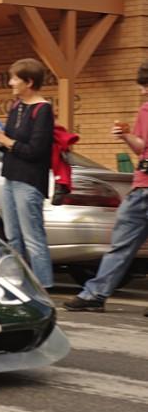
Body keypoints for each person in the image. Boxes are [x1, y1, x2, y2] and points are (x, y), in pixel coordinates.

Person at [65, 59, 148, 316]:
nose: (143, 91)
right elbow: (140, 147)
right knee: (120, 245)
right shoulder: (145, 110)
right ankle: (95, 295)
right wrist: (124, 135)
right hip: (141, 189)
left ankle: (95, 294)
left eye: (147, 86)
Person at [0, 58, 55, 289]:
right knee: (12, 237)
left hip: (29, 180)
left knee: (33, 238)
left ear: (29, 82)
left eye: (15, 78)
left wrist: (5, 140)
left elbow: (36, 150)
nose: (10, 82)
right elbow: (8, 143)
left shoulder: (43, 110)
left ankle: (43, 287)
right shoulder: (16, 106)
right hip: (10, 177)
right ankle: (20, 284)